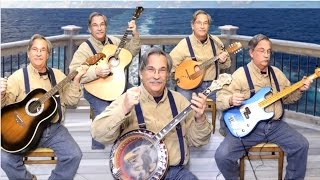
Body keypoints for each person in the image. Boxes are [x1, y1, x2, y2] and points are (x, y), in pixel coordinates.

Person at [91, 47, 212, 179]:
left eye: (162, 70)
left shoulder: (180, 102)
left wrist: (200, 119)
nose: (156, 76)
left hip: (175, 172)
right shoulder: (126, 100)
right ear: (140, 73)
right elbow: (99, 135)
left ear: (167, 75)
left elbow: (198, 141)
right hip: (138, 175)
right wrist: (123, 109)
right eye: (151, 69)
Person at [214, 34, 313, 179]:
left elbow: (287, 98)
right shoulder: (240, 75)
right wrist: (230, 99)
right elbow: (220, 99)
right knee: (222, 156)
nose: (266, 55)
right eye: (261, 50)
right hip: (248, 128)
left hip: (275, 125)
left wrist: (299, 90)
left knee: (301, 145)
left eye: (268, 51)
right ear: (251, 52)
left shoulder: (277, 74)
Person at [1, 34, 88, 180]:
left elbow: (71, 101)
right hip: (24, 132)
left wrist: (77, 80)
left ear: (48, 54)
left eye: (43, 50)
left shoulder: (59, 75)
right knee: (5, 159)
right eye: (35, 49)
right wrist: (1, 94)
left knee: (74, 155)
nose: (39, 53)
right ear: (29, 53)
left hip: (53, 130)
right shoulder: (17, 77)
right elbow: (4, 107)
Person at [69, 12, 141, 149]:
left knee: (138, 98)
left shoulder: (115, 42)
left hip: (116, 84)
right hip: (94, 89)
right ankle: (98, 149)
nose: (99, 28)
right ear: (90, 29)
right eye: (95, 25)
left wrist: (135, 33)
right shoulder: (85, 48)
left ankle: (128, 144)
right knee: (103, 113)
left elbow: (131, 51)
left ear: (106, 26)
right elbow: (73, 72)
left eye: (102, 24)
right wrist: (95, 72)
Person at [169, 10, 231, 136]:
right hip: (189, 86)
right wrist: (182, 76)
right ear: (193, 25)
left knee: (227, 100)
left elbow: (228, 64)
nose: (202, 26)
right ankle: (184, 134)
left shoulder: (216, 42)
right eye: (199, 23)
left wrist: (224, 60)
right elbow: (170, 64)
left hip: (211, 85)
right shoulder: (184, 44)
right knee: (182, 104)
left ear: (208, 26)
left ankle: (225, 129)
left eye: (205, 23)